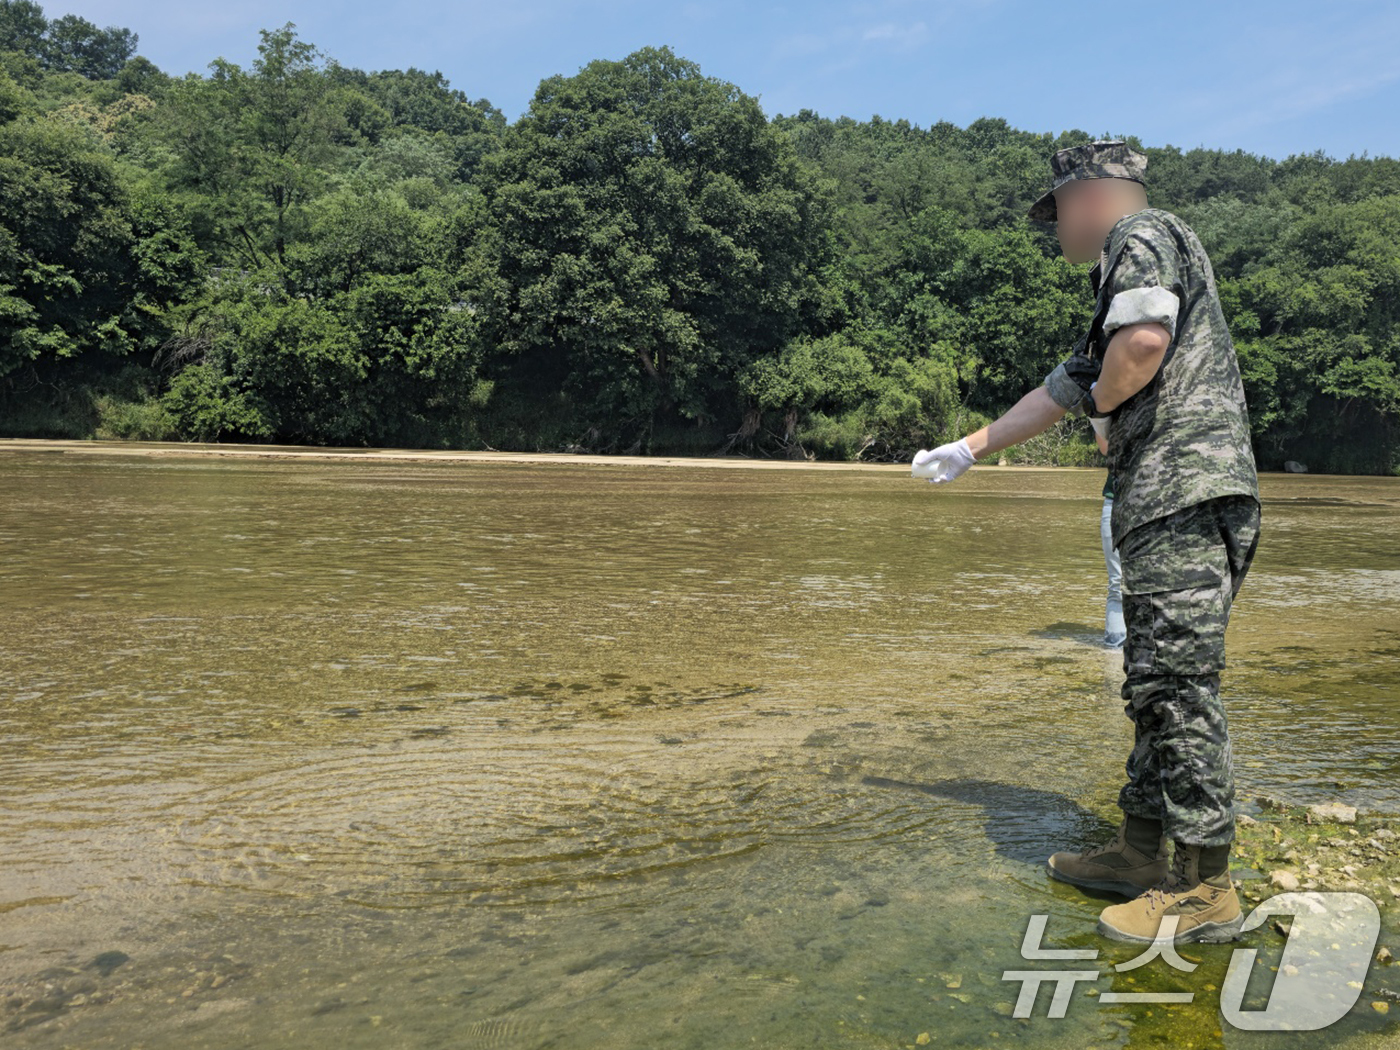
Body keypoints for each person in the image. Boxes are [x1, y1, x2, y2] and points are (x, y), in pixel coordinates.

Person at [911, 141, 1261, 944]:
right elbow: (1058, 391)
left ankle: (1207, 887)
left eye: (1057, 210)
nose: (1054, 228)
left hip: (1184, 493)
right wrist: (968, 449)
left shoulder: (1140, 235)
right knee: (1149, 680)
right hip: (1162, 500)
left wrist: (1106, 404)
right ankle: (1140, 854)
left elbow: (1137, 352)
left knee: (1176, 686)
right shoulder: (1122, 277)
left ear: (1093, 195)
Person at [1096, 430, 1126, 649]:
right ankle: (1114, 651)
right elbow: (1107, 448)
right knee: (1118, 582)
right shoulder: (1108, 400)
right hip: (1115, 501)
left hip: (1159, 504)